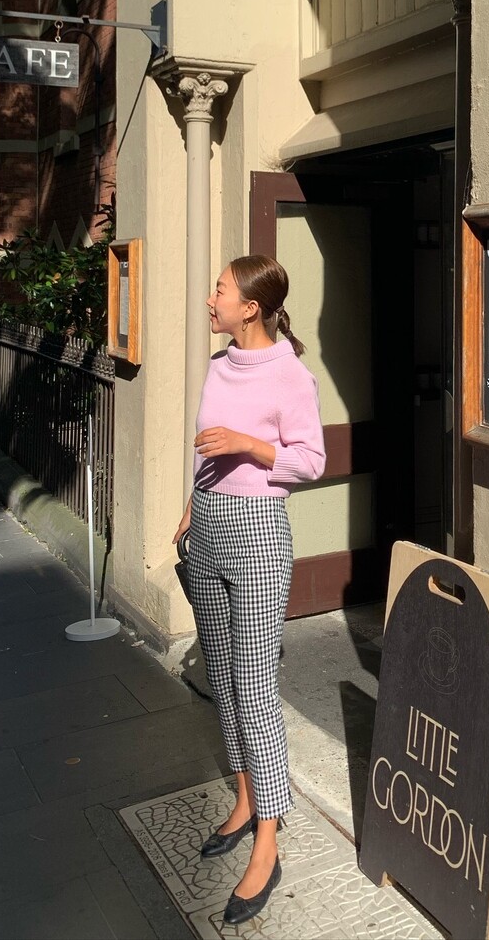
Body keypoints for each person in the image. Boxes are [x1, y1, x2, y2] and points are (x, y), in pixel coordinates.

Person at [173, 254, 325, 925]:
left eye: (221, 291)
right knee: (222, 675)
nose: (212, 300)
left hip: (259, 532)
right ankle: (244, 796)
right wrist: (192, 503)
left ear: (251, 307)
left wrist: (251, 445)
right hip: (208, 524)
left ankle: (269, 836)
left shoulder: (290, 375)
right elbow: (206, 449)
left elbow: (311, 461)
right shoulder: (218, 365)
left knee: (256, 688)